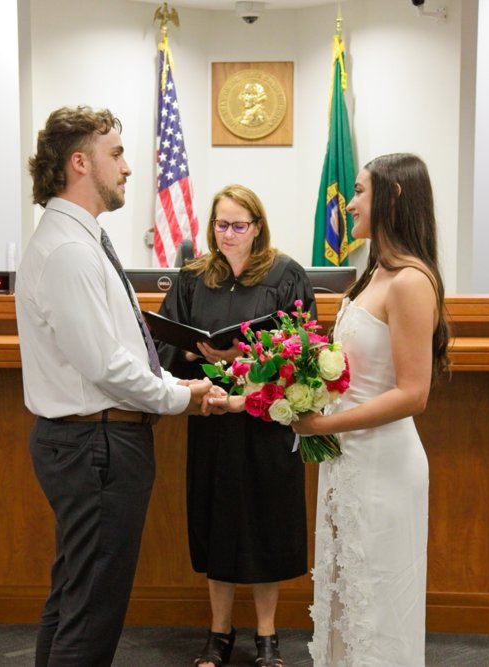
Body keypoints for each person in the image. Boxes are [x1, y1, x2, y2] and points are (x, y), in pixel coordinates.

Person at [15, 105, 221, 667]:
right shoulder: (70, 251)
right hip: (95, 446)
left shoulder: (79, 242)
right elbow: (105, 365)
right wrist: (181, 396)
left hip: (94, 440)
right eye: (117, 154)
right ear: (80, 163)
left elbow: (114, 353)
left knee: (75, 600)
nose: (128, 168)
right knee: (90, 615)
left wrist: (175, 383)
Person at [291, 153, 450, 665]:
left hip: (384, 463)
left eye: (360, 191)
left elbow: (413, 393)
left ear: (393, 197)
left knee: (380, 607)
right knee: (347, 600)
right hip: (348, 462)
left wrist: (324, 423)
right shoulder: (371, 275)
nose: (351, 202)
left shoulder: (410, 281)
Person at [157, 184, 316, 667]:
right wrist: (193, 352)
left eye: (239, 225)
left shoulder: (286, 274)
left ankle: (267, 635)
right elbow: (163, 347)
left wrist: (242, 355)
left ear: (258, 227)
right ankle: (219, 632)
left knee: (268, 521)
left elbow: (303, 347)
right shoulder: (192, 278)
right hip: (212, 417)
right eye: (221, 225)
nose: (228, 234)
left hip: (265, 419)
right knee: (217, 520)